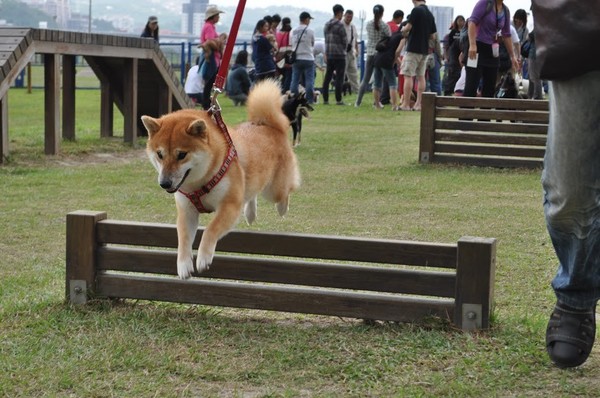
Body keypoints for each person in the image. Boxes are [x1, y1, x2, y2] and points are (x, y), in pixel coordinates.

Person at [463, 0, 518, 99]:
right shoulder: (484, 3)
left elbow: (506, 34)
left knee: (490, 88)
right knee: (471, 85)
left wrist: (512, 56)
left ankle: (485, 113)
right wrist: (472, 44)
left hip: (493, 51)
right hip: (476, 49)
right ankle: (466, 113)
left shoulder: (505, 10)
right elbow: (472, 22)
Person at [398, 0, 437, 111]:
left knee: (408, 75)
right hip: (424, 50)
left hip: (413, 48)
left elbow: (408, 27)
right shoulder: (430, 14)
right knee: (421, 77)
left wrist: (403, 30)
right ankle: (418, 104)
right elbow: (433, 36)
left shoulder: (416, 11)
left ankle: (405, 104)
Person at [354, 5, 391, 107]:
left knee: (365, 79)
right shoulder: (384, 25)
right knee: (379, 79)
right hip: (380, 54)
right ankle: (377, 102)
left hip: (369, 53)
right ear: (382, 13)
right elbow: (389, 38)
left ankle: (358, 102)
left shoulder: (368, 24)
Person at [199, 5, 225, 109]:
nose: (218, 17)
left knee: (209, 82)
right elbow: (210, 41)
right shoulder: (209, 26)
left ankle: (207, 103)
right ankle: (206, 104)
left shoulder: (209, 26)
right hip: (211, 57)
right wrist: (219, 44)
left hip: (212, 57)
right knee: (209, 81)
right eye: (217, 15)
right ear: (213, 16)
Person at [321, 4, 347, 105]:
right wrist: (344, 49)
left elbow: (325, 39)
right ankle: (338, 100)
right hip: (339, 55)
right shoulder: (340, 25)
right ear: (339, 13)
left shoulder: (327, 24)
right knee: (339, 78)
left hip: (329, 54)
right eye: (342, 13)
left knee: (328, 77)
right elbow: (344, 40)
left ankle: (326, 99)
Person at [372, 29, 403, 110]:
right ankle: (394, 106)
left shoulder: (393, 34)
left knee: (377, 84)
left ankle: (377, 105)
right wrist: (396, 62)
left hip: (377, 59)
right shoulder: (402, 37)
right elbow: (397, 51)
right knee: (392, 84)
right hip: (387, 60)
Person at [290, 12, 316, 104]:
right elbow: (313, 44)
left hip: (296, 58)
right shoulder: (310, 30)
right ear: (306, 19)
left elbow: (291, 44)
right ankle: (309, 100)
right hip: (308, 58)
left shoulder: (293, 31)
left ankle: (294, 98)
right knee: (309, 80)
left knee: (295, 79)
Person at [442, 15, 465, 95]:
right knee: (452, 74)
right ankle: (448, 91)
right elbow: (448, 45)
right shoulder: (453, 32)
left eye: (462, 20)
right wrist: (447, 56)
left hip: (462, 54)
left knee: (461, 74)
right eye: (459, 20)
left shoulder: (465, 31)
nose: (460, 22)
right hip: (453, 56)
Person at [342, 10, 360, 94]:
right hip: (342, 53)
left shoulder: (353, 26)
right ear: (344, 15)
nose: (349, 19)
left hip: (351, 52)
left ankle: (357, 91)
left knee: (354, 73)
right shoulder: (340, 25)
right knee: (341, 74)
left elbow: (355, 39)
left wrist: (357, 49)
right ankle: (340, 93)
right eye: (348, 17)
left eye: (351, 17)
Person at [276, 17, 293, 93]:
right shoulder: (291, 33)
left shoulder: (278, 33)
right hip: (287, 58)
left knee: (282, 76)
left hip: (279, 58)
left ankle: (280, 91)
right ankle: (285, 92)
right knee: (288, 76)